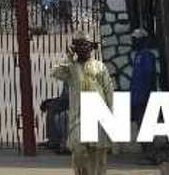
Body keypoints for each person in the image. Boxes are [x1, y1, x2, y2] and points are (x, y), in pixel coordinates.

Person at [52, 35, 114, 175]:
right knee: (79, 149)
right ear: (74, 48)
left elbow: (109, 90)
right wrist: (69, 58)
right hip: (78, 116)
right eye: (78, 45)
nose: (82, 47)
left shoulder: (99, 66)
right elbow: (55, 73)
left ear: (91, 47)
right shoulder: (70, 67)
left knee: (97, 154)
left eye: (85, 44)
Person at [129, 29, 158, 158]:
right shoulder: (138, 56)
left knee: (146, 124)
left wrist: (149, 95)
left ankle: (151, 154)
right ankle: (147, 153)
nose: (134, 41)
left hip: (144, 96)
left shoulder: (147, 55)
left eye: (136, 39)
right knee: (141, 124)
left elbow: (150, 75)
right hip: (137, 96)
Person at [40, 82, 70, 154]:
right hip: (66, 103)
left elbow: (67, 99)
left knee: (54, 110)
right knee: (51, 108)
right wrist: (52, 101)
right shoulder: (67, 82)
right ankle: (53, 140)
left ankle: (56, 142)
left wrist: (53, 102)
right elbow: (64, 97)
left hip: (72, 104)